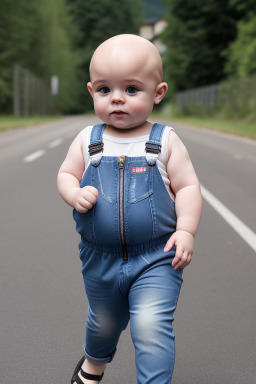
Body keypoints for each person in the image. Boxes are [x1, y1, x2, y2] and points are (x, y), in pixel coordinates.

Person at [57, 34, 202, 384]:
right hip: (99, 258)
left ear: (158, 92)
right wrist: (73, 193)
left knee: (151, 324)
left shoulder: (165, 141)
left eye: (132, 89)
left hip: (155, 256)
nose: (117, 98)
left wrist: (185, 230)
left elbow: (187, 187)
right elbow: (65, 174)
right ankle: (94, 363)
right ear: (92, 91)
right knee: (104, 321)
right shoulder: (88, 140)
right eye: (105, 90)